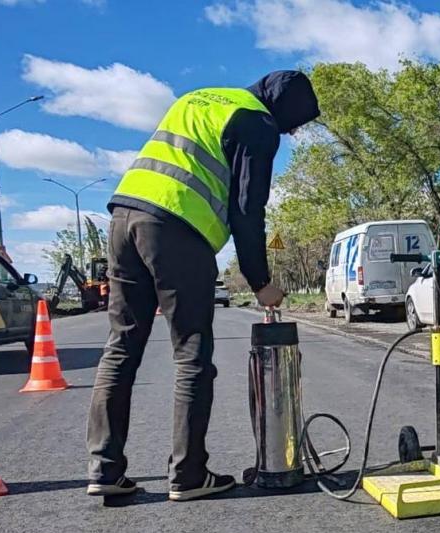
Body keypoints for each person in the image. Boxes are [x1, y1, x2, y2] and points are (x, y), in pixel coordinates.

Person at [86, 71, 320, 501]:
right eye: (295, 123)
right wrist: (262, 283)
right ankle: (189, 475)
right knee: (193, 353)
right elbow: (249, 210)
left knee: (121, 348)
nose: (291, 131)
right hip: (177, 228)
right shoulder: (258, 123)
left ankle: (104, 469)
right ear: (284, 111)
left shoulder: (200, 98)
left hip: (123, 216)